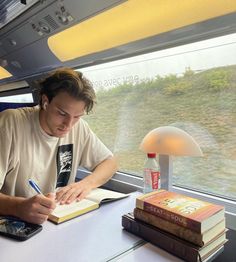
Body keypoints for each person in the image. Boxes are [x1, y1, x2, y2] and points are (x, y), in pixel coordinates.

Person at [0, 68, 118, 224]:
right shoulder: (10, 123)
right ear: (45, 102)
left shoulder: (79, 127)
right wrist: (18, 207)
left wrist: (85, 184)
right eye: (62, 113)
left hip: (57, 220)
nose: (68, 125)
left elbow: (110, 162)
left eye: (77, 116)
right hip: (13, 223)